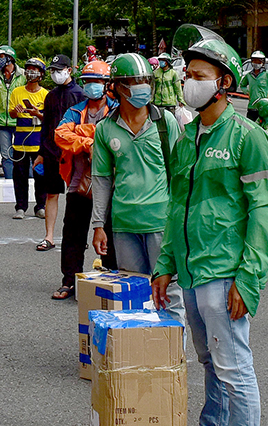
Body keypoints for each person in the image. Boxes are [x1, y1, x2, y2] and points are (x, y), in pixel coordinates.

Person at [150, 30, 268, 426]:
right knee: (210, 361)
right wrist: (165, 263)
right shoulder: (189, 136)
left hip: (224, 271)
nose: (188, 81)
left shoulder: (248, 137)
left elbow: (265, 212)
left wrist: (249, 279)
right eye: (186, 74)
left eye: (198, 75)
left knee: (234, 367)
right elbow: (176, 204)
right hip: (189, 268)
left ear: (224, 81)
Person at [90, 53, 183, 315]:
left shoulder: (166, 123)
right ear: (117, 87)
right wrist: (98, 225)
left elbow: (179, 175)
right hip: (123, 225)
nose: (142, 86)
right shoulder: (106, 129)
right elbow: (102, 179)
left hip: (161, 223)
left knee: (170, 293)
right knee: (134, 296)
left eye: (145, 80)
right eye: (134, 81)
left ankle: (174, 354)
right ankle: (142, 353)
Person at [50, 60, 114, 300]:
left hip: (110, 186)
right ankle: (69, 281)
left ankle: (111, 279)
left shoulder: (116, 110)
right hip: (79, 185)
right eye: (88, 81)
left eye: (96, 81)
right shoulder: (75, 110)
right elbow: (60, 135)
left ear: (107, 84)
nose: (91, 86)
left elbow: (110, 137)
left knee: (110, 234)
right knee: (73, 235)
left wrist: (83, 131)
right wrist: (89, 141)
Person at [38, 54, 81, 257]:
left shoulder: (80, 94)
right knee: (52, 194)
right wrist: (41, 152)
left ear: (69, 70)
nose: (56, 74)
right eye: (53, 70)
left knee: (76, 198)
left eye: (59, 70)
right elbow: (45, 126)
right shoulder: (51, 96)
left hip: (74, 153)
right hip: (52, 152)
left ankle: (77, 237)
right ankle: (49, 236)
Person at [10, 58, 48, 226]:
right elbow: (11, 114)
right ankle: (20, 207)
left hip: (38, 141)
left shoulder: (46, 94)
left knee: (41, 175)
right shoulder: (17, 92)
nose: (31, 72)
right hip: (20, 142)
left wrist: (37, 113)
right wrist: (16, 111)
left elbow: (49, 118)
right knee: (19, 176)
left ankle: (40, 206)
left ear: (41, 74)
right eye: (28, 69)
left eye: (35, 69)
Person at [0, 47, 19, 183]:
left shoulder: (23, 76)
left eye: (0, 56)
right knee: (6, 155)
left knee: (23, 154)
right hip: (2, 122)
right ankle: (9, 183)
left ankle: (28, 184)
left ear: (9, 57)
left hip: (20, 122)